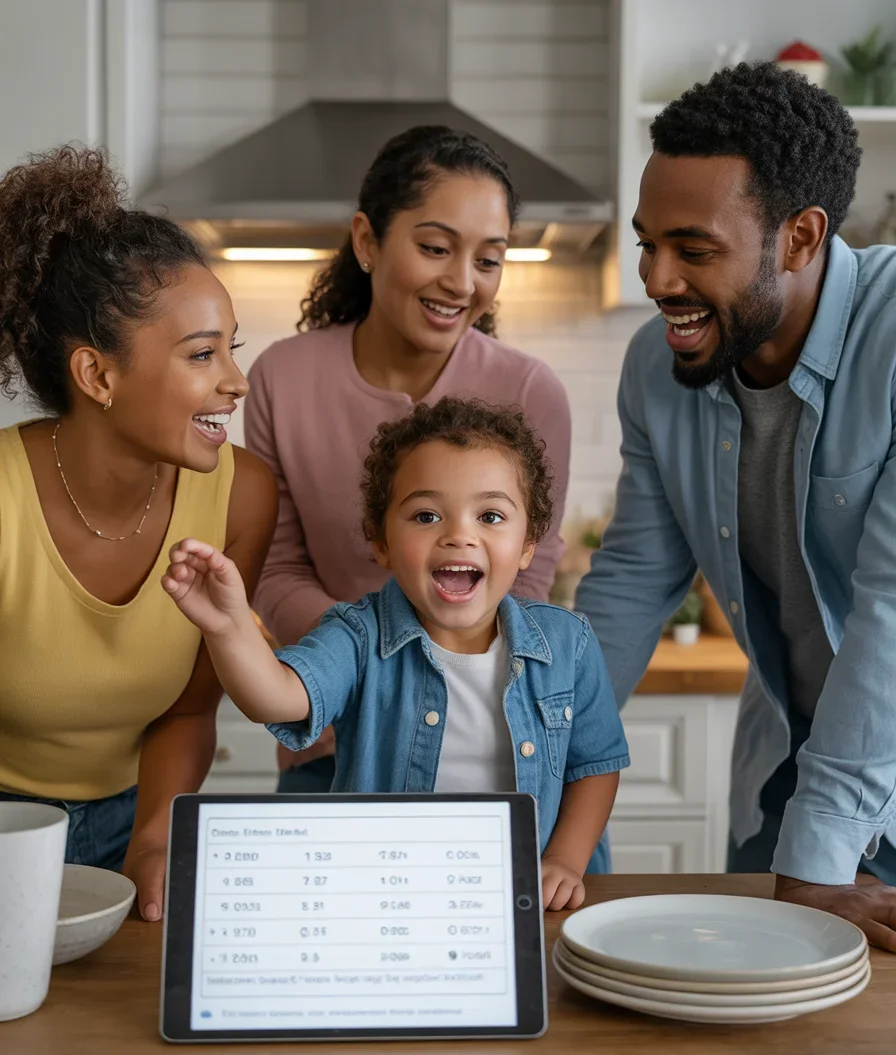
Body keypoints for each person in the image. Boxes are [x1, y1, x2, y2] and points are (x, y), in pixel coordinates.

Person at [575, 61, 896, 949]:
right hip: (786, 776)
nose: (656, 277)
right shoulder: (658, 368)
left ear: (800, 237)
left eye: (694, 249)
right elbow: (634, 580)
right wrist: (535, 761)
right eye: (647, 243)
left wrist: (818, 864)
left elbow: (891, 614)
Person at [164, 398, 629, 909]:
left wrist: (564, 859)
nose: (459, 535)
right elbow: (276, 699)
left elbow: (595, 765)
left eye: (491, 515)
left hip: (522, 895)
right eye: (427, 515)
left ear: (527, 545)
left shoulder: (569, 645)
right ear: (381, 541)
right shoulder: (356, 636)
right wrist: (228, 624)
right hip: (385, 897)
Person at [244, 125, 572, 801]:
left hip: (487, 738)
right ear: (367, 241)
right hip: (332, 729)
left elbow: (529, 574)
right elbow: (275, 569)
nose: (462, 282)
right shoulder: (282, 377)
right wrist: (363, 668)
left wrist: (424, 671)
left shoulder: (531, 392)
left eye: (489, 259)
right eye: (434, 248)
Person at [0, 146, 278, 921]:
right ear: (96, 377)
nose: (236, 381)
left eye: (233, 348)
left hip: (137, 810)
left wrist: (153, 839)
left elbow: (189, 709)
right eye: (201, 355)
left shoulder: (243, 495)